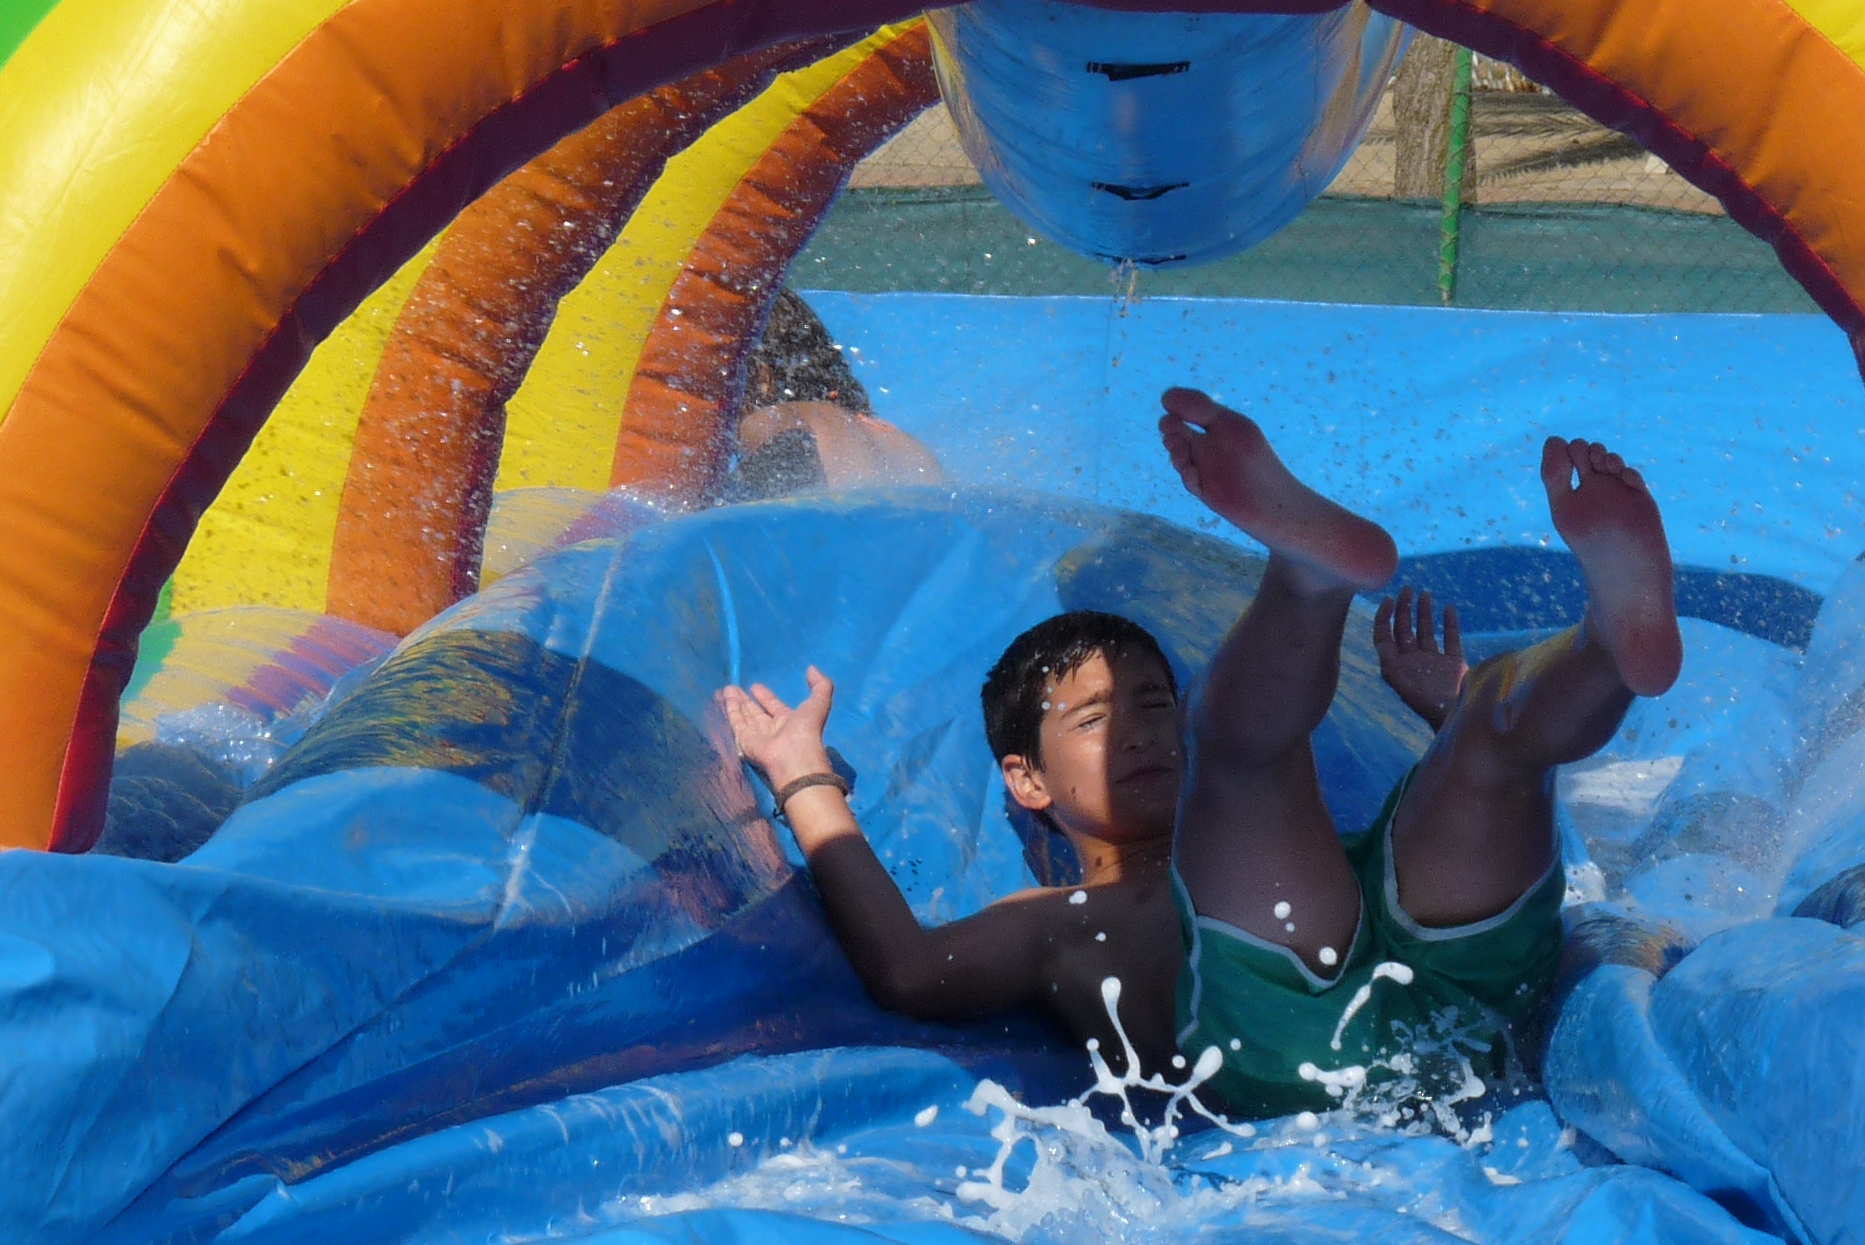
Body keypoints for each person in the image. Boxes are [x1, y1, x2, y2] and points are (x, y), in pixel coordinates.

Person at [717, 388, 1682, 1118]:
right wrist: (803, 777)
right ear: (1025, 779)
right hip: (1298, 1038)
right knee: (1245, 753)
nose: (1140, 732)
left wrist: (1445, 714)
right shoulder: (1057, 923)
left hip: (1450, 998)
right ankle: (1308, 580)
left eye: (1151, 706)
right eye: (1095, 721)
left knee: (1489, 741)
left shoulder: (1257, 858)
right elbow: (908, 970)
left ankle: (1609, 641)